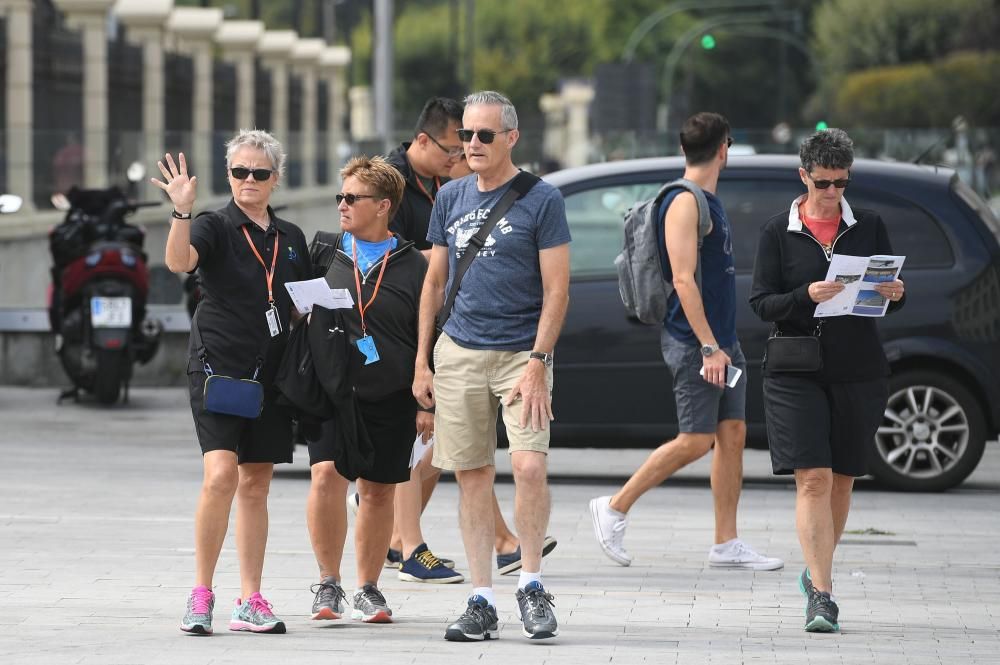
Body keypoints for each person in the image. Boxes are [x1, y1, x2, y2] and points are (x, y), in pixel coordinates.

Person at [589, 112, 783, 573]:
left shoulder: (707, 199)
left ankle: (726, 543)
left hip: (722, 339)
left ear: (684, 149)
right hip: (696, 342)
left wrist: (722, 342)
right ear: (724, 149)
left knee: (731, 435)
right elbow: (681, 279)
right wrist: (709, 347)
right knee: (696, 440)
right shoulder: (684, 202)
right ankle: (614, 507)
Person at [413, 90, 571, 642]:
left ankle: (530, 582)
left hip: (519, 356)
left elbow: (557, 290)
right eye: (466, 136)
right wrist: (423, 362)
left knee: (528, 467)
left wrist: (537, 362)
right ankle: (481, 597)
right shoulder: (450, 197)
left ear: (511, 138)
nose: (472, 145)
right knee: (471, 474)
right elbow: (434, 282)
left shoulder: (542, 199)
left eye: (484, 135)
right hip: (458, 352)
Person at [749, 128, 905, 633]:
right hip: (795, 369)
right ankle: (822, 594)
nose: (833, 192)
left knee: (841, 482)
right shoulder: (778, 231)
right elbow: (761, 303)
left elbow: (887, 295)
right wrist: (805, 296)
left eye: (841, 182)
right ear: (804, 177)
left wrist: (896, 292)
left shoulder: (870, 225)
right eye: (823, 183)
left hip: (858, 368)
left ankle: (817, 572)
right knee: (812, 478)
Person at [158, 130, 311, 635]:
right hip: (218, 368)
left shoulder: (290, 237)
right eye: (240, 171)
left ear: (275, 178)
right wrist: (181, 212)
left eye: (259, 173)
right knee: (221, 475)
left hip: (270, 373)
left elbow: (300, 301)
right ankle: (201, 592)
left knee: (256, 482)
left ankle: (251, 598)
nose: (249, 180)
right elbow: (180, 263)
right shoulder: (214, 225)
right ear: (229, 176)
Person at [305, 155, 432, 624]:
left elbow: (431, 333)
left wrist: (428, 404)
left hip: (392, 393)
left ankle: (369, 588)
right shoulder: (324, 251)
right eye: (340, 196)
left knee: (378, 492)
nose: (341, 205)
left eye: (351, 198)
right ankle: (328, 583)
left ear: (383, 206)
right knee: (325, 476)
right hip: (332, 390)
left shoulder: (416, 266)